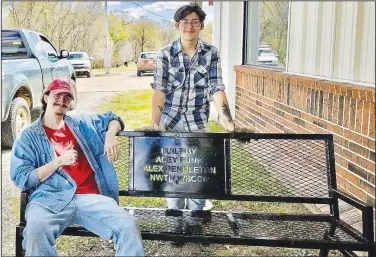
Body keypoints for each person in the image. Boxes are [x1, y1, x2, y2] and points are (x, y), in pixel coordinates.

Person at [10, 79, 144, 256]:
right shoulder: (29, 136)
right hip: (50, 198)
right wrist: (58, 162)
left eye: (67, 97)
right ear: (46, 96)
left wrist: (111, 134)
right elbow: (22, 178)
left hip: (90, 197)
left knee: (128, 226)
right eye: (58, 95)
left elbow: (112, 118)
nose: (62, 100)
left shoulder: (81, 124)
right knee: (36, 233)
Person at [151, 3, 235, 211]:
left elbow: (216, 88)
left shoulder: (211, 53)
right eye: (185, 22)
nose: (190, 26)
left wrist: (228, 122)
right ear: (177, 25)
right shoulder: (165, 54)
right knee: (174, 173)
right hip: (171, 121)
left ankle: (196, 215)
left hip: (198, 123)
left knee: (201, 173)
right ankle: (175, 215)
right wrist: (155, 123)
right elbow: (159, 90)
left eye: (195, 22)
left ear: (201, 26)